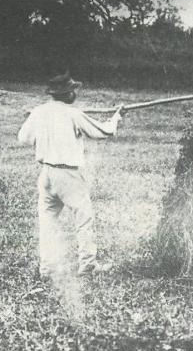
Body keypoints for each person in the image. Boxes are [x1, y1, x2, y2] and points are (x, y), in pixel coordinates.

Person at [18, 73, 123, 278]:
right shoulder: (73, 114)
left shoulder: (39, 112)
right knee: (84, 218)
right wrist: (116, 117)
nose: (76, 93)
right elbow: (104, 132)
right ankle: (88, 265)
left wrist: (38, 123)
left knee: (48, 223)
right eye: (73, 90)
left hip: (46, 174)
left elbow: (24, 138)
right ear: (67, 93)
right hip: (68, 175)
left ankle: (47, 269)